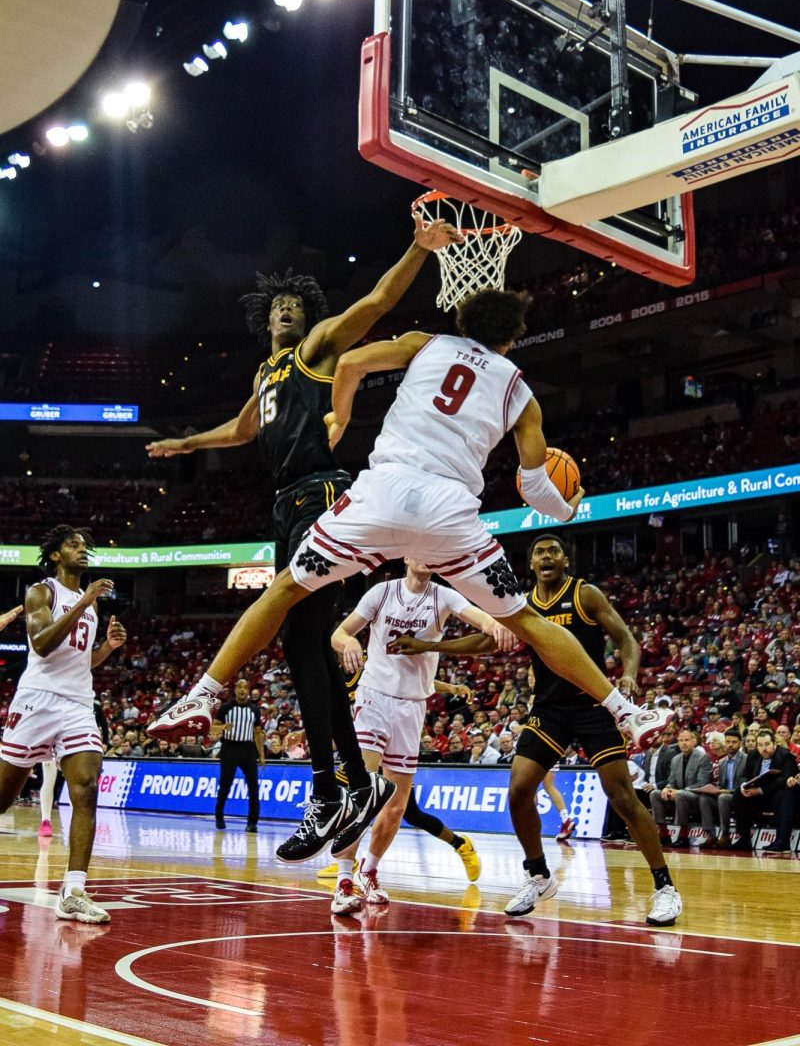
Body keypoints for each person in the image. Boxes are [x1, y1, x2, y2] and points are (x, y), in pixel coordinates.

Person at [149, 290, 673, 862]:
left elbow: (350, 362)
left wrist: (341, 415)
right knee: (524, 619)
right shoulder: (520, 392)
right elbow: (536, 490)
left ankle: (201, 695)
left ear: (461, 321)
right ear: (513, 337)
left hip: (382, 495)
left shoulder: (426, 343)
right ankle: (627, 710)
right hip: (449, 514)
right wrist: (569, 507)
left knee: (286, 590)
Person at [146, 211, 460, 861]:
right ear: (265, 319)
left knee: (301, 638)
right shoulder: (263, 378)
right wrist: (187, 442)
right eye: (279, 306)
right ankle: (348, 787)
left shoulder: (315, 350)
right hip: (286, 504)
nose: (288, 310)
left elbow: (374, 304)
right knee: (304, 646)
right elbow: (238, 431)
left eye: (295, 303)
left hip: (321, 491)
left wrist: (418, 249)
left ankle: (328, 787)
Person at [393, 533, 682, 926]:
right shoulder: (522, 605)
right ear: (530, 565)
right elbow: (486, 639)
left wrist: (628, 675)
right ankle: (538, 875)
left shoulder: (586, 595)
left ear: (566, 560)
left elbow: (625, 638)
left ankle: (665, 887)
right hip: (550, 710)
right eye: (539, 553)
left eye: (553, 551)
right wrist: (429, 646)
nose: (546, 556)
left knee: (621, 795)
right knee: (519, 788)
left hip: (594, 705)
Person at [325, 559, 502, 915]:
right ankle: (344, 881)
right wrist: (348, 643)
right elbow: (339, 633)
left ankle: (369, 872)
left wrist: (497, 624)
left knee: (397, 806)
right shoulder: (382, 592)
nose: (426, 557)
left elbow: (486, 623)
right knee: (364, 792)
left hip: (412, 707)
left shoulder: (445, 597)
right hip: (374, 697)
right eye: (419, 551)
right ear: (407, 557)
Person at [0, 526, 126, 922]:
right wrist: (85, 600)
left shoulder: (89, 606)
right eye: (73, 544)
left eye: (85, 545)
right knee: (2, 799)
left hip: (77, 704)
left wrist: (108, 647)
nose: (83, 550)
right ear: (55, 555)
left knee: (86, 789)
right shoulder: (42, 592)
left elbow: (80, 662)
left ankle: (73, 891)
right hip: (37, 701)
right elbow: (41, 643)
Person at [731, 728, 798, 854]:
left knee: (782, 794)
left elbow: (784, 780)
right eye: (760, 745)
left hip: (776, 795)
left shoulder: (785, 755)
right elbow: (744, 775)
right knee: (738, 795)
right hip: (759, 796)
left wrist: (761, 790)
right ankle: (744, 839)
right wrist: (743, 786)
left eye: (767, 744)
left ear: (774, 744)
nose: (763, 748)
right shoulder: (753, 755)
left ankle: (782, 842)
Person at [213, 678, 265, 831]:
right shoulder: (225, 708)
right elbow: (213, 728)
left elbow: (257, 732)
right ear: (235, 690)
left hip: (248, 749)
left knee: (253, 787)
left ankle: (252, 822)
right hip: (229, 748)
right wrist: (223, 726)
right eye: (240, 687)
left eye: (245, 687)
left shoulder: (254, 709)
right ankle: (219, 815)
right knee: (225, 784)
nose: (242, 690)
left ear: (248, 691)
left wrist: (261, 754)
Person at [649, 728, 715, 848]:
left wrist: (679, 791)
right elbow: (672, 781)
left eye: (687, 740)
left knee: (680, 795)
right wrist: (667, 788)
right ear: (678, 742)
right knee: (655, 794)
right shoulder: (675, 759)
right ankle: (664, 834)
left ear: (693, 742)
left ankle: (683, 836)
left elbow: (702, 783)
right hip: (679, 796)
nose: (684, 743)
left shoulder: (703, 758)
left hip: (697, 797)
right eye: (681, 740)